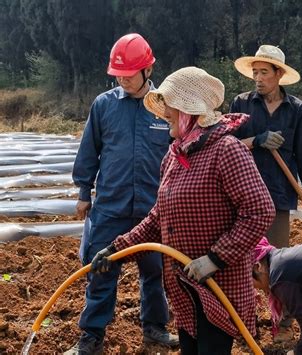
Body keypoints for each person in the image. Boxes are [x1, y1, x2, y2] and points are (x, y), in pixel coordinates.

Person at [89, 66, 276, 355]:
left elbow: (260, 211)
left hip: (217, 286)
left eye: (170, 108)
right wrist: (115, 249)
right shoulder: (175, 155)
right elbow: (157, 218)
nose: (163, 114)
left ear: (190, 112)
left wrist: (215, 258)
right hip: (184, 287)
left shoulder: (226, 150)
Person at [67, 33, 178, 354]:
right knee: (101, 272)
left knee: (155, 274)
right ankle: (91, 337)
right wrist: (83, 192)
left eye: (129, 74)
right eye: (118, 75)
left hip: (152, 209)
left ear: (147, 70)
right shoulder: (104, 105)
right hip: (110, 208)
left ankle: (155, 329)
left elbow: (180, 153)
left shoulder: (164, 107)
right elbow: (90, 151)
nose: (123, 80)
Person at [230, 44, 302, 249]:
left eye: (264, 72)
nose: (258, 78)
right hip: (243, 198)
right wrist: (256, 140)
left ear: (278, 74)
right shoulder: (241, 104)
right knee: (243, 261)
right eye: (255, 72)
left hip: (277, 199)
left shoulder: (297, 110)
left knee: (275, 261)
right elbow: (226, 147)